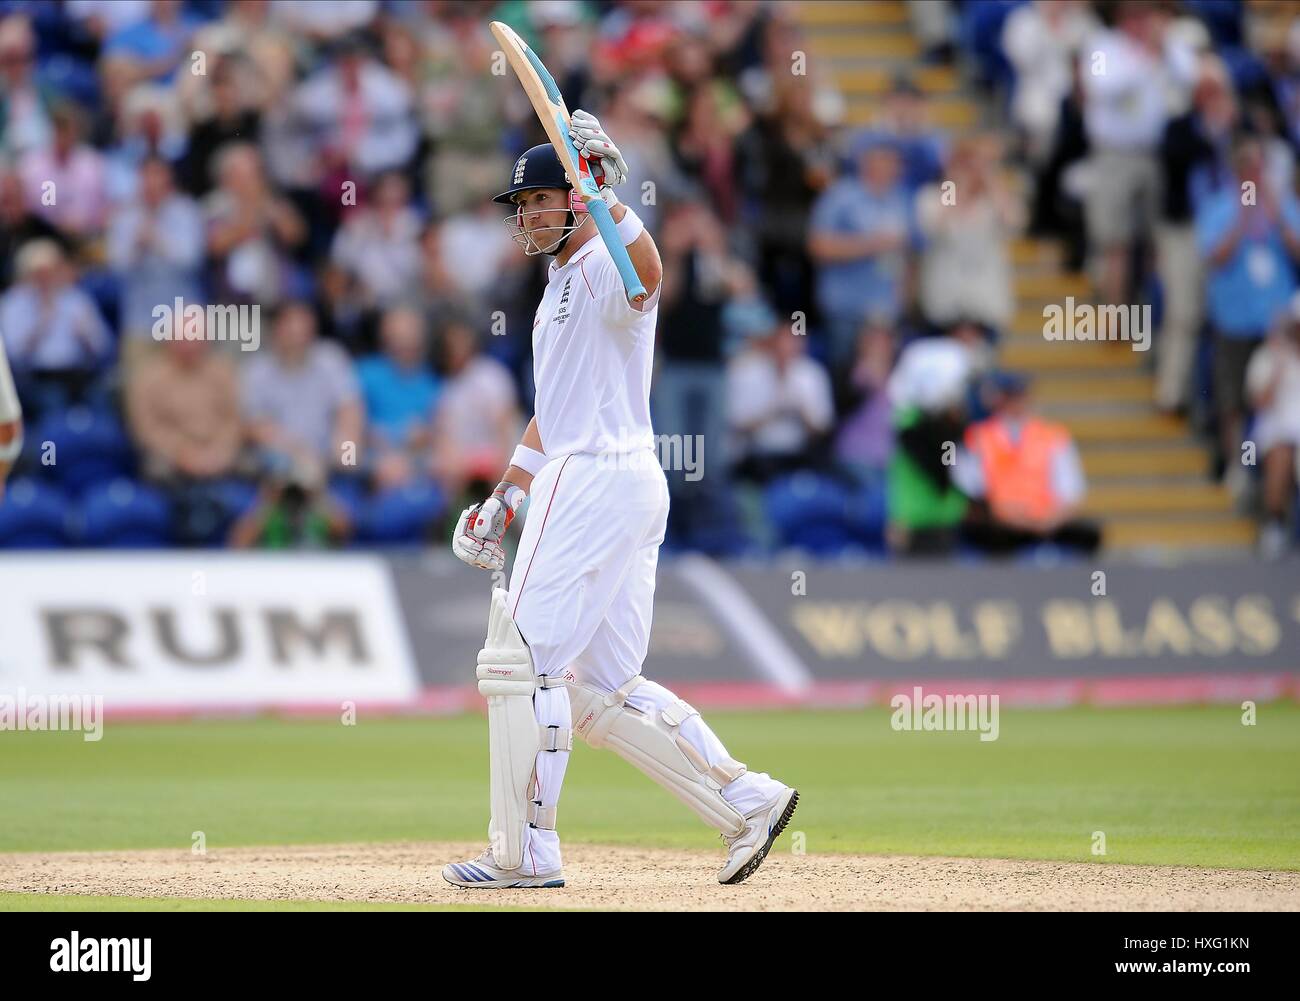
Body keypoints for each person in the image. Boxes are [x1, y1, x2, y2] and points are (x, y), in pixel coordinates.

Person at [443, 123, 796, 891]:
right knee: (602, 691)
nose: (528, 216)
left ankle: (523, 852)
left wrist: (610, 197)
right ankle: (747, 799)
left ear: (574, 199)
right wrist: (508, 489)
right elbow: (555, 406)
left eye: (539, 201)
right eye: (522, 205)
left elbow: (650, 274)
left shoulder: (604, 256)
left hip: (596, 479)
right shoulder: (558, 279)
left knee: (519, 662)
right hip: (618, 477)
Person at [954, 373, 1101, 556]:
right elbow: (970, 487)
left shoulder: (1053, 436)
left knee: (1090, 533)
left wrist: (1048, 521)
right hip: (999, 527)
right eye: (1011, 397)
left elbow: (1071, 491)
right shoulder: (977, 436)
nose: (1016, 403)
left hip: (1046, 524)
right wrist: (1005, 514)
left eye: (1020, 396)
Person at [1246, 292, 1300, 560]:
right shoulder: (1269, 356)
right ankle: (1274, 523)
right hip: (1274, 435)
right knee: (1283, 453)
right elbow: (1260, 402)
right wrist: (1279, 367)